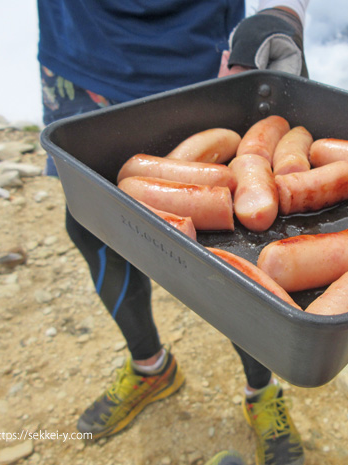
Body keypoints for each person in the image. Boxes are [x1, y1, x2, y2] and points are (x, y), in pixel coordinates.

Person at [37, 1, 310, 464]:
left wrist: (280, 10)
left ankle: (262, 393)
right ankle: (150, 368)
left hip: (199, 65)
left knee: (229, 261)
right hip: (80, 61)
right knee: (89, 224)